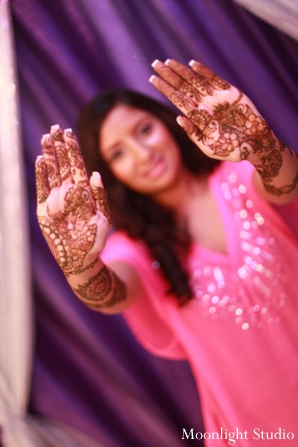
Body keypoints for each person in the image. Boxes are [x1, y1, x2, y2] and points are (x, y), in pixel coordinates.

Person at [35, 59, 298, 446]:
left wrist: (262, 145)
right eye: (119, 154)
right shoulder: (134, 251)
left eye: (144, 130)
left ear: (169, 122)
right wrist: (80, 265)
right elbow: (110, 294)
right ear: (109, 175)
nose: (142, 155)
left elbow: (285, 184)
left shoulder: (238, 178)